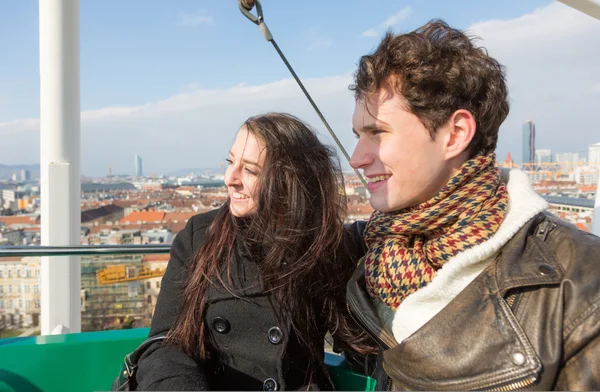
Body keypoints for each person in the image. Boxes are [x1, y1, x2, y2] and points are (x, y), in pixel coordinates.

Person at [346, 20, 600, 390]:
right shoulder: (375, 247)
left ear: (455, 134)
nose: (356, 158)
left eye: (377, 133)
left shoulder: (580, 285)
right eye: (357, 136)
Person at [132, 112, 373, 391]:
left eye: (250, 170)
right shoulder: (201, 237)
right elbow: (165, 343)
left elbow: (357, 343)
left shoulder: (321, 245)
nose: (229, 178)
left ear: (288, 180)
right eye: (230, 162)